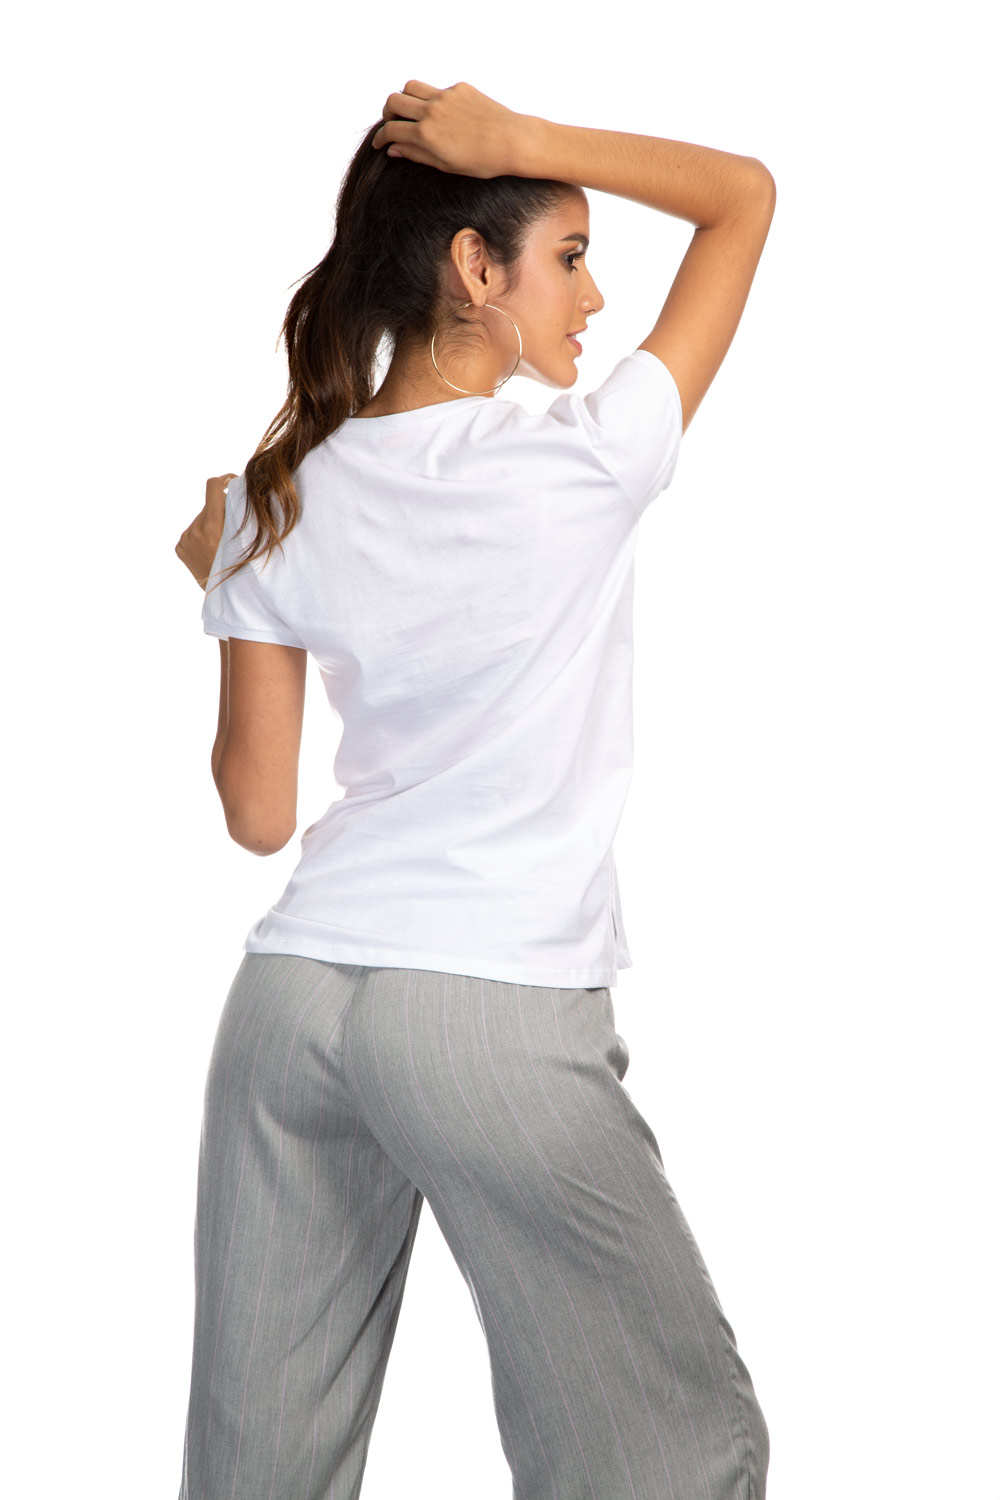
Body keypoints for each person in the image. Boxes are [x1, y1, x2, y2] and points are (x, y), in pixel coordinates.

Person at [173, 79, 776, 1500]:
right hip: (488, 1005)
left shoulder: (273, 498)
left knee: (257, 1470)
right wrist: (524, 145)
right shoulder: (585, 458)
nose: (595, 294)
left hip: (290, 1004)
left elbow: (258, 816)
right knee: (665, 1454)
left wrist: (221, 577)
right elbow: (743, 197)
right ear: (475, 267)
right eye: (569, 255)